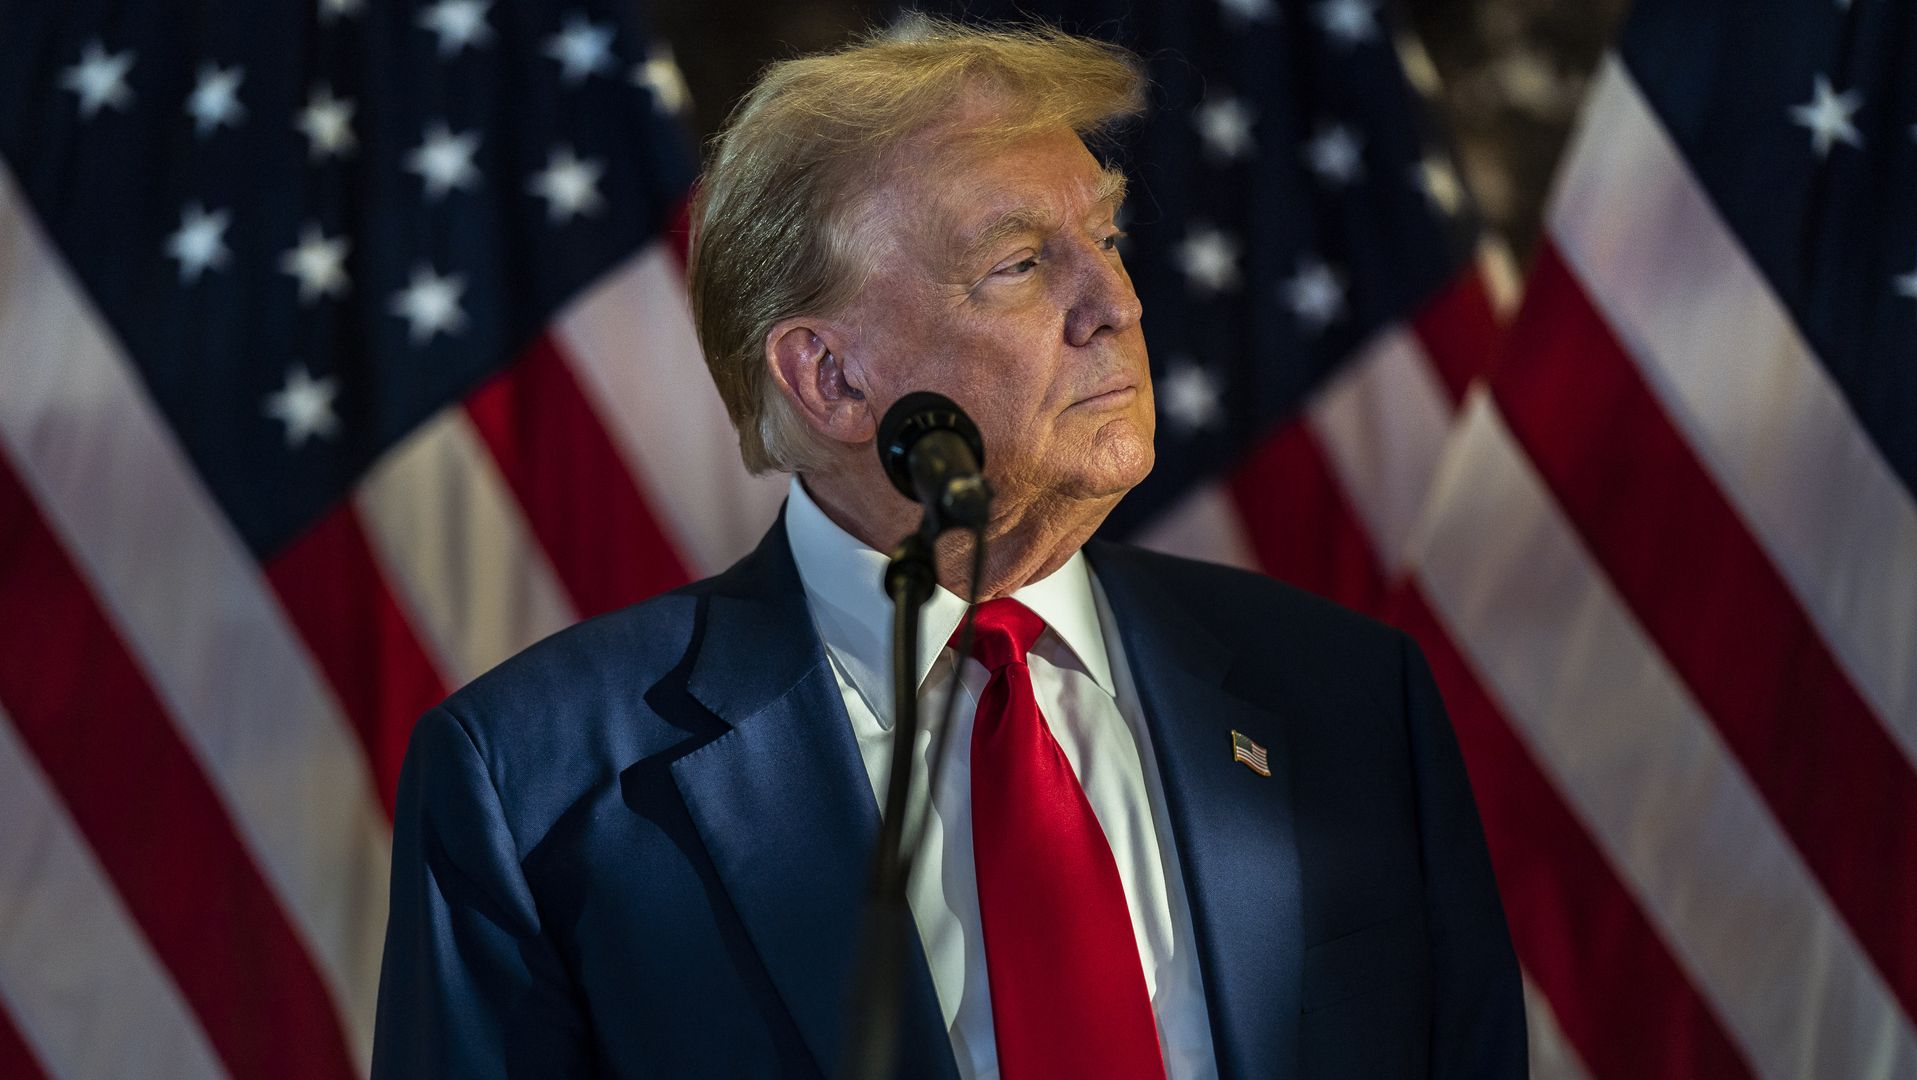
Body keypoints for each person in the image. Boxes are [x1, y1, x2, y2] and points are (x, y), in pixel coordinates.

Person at [371, 21, 1525, 1080]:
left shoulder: (1349, 702)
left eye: (1106, 236)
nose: (1114, 302)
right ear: (830, 378)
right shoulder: (540, 788)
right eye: (1020, 264)